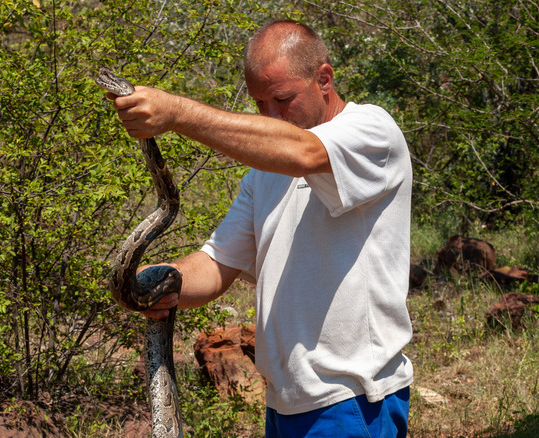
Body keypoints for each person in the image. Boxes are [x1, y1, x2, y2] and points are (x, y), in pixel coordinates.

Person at [108, 19, 414, 437]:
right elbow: (216, 264)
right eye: (259, 103)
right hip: (286, 403)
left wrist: (177, 113)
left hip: (353, 400)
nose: (271, 115)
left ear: (324, 78)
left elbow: (303, 153)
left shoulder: (372, 132)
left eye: (282, 98)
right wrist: (155, 283)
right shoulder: (265, 173)